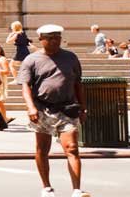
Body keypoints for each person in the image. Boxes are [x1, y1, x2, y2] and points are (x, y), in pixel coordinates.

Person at [19, 24, 87, 197]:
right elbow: (26, 86)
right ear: (40, 40)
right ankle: (47, 186)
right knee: (42, 148)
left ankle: (77, 190)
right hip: (42, 109)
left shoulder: (71, 57)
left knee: (72, 148)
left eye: (57, 37)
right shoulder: (31, 60)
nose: (54, 41)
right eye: (49, 38)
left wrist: (83, 107)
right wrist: (31, 107)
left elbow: (78, 83)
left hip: (67, 109)